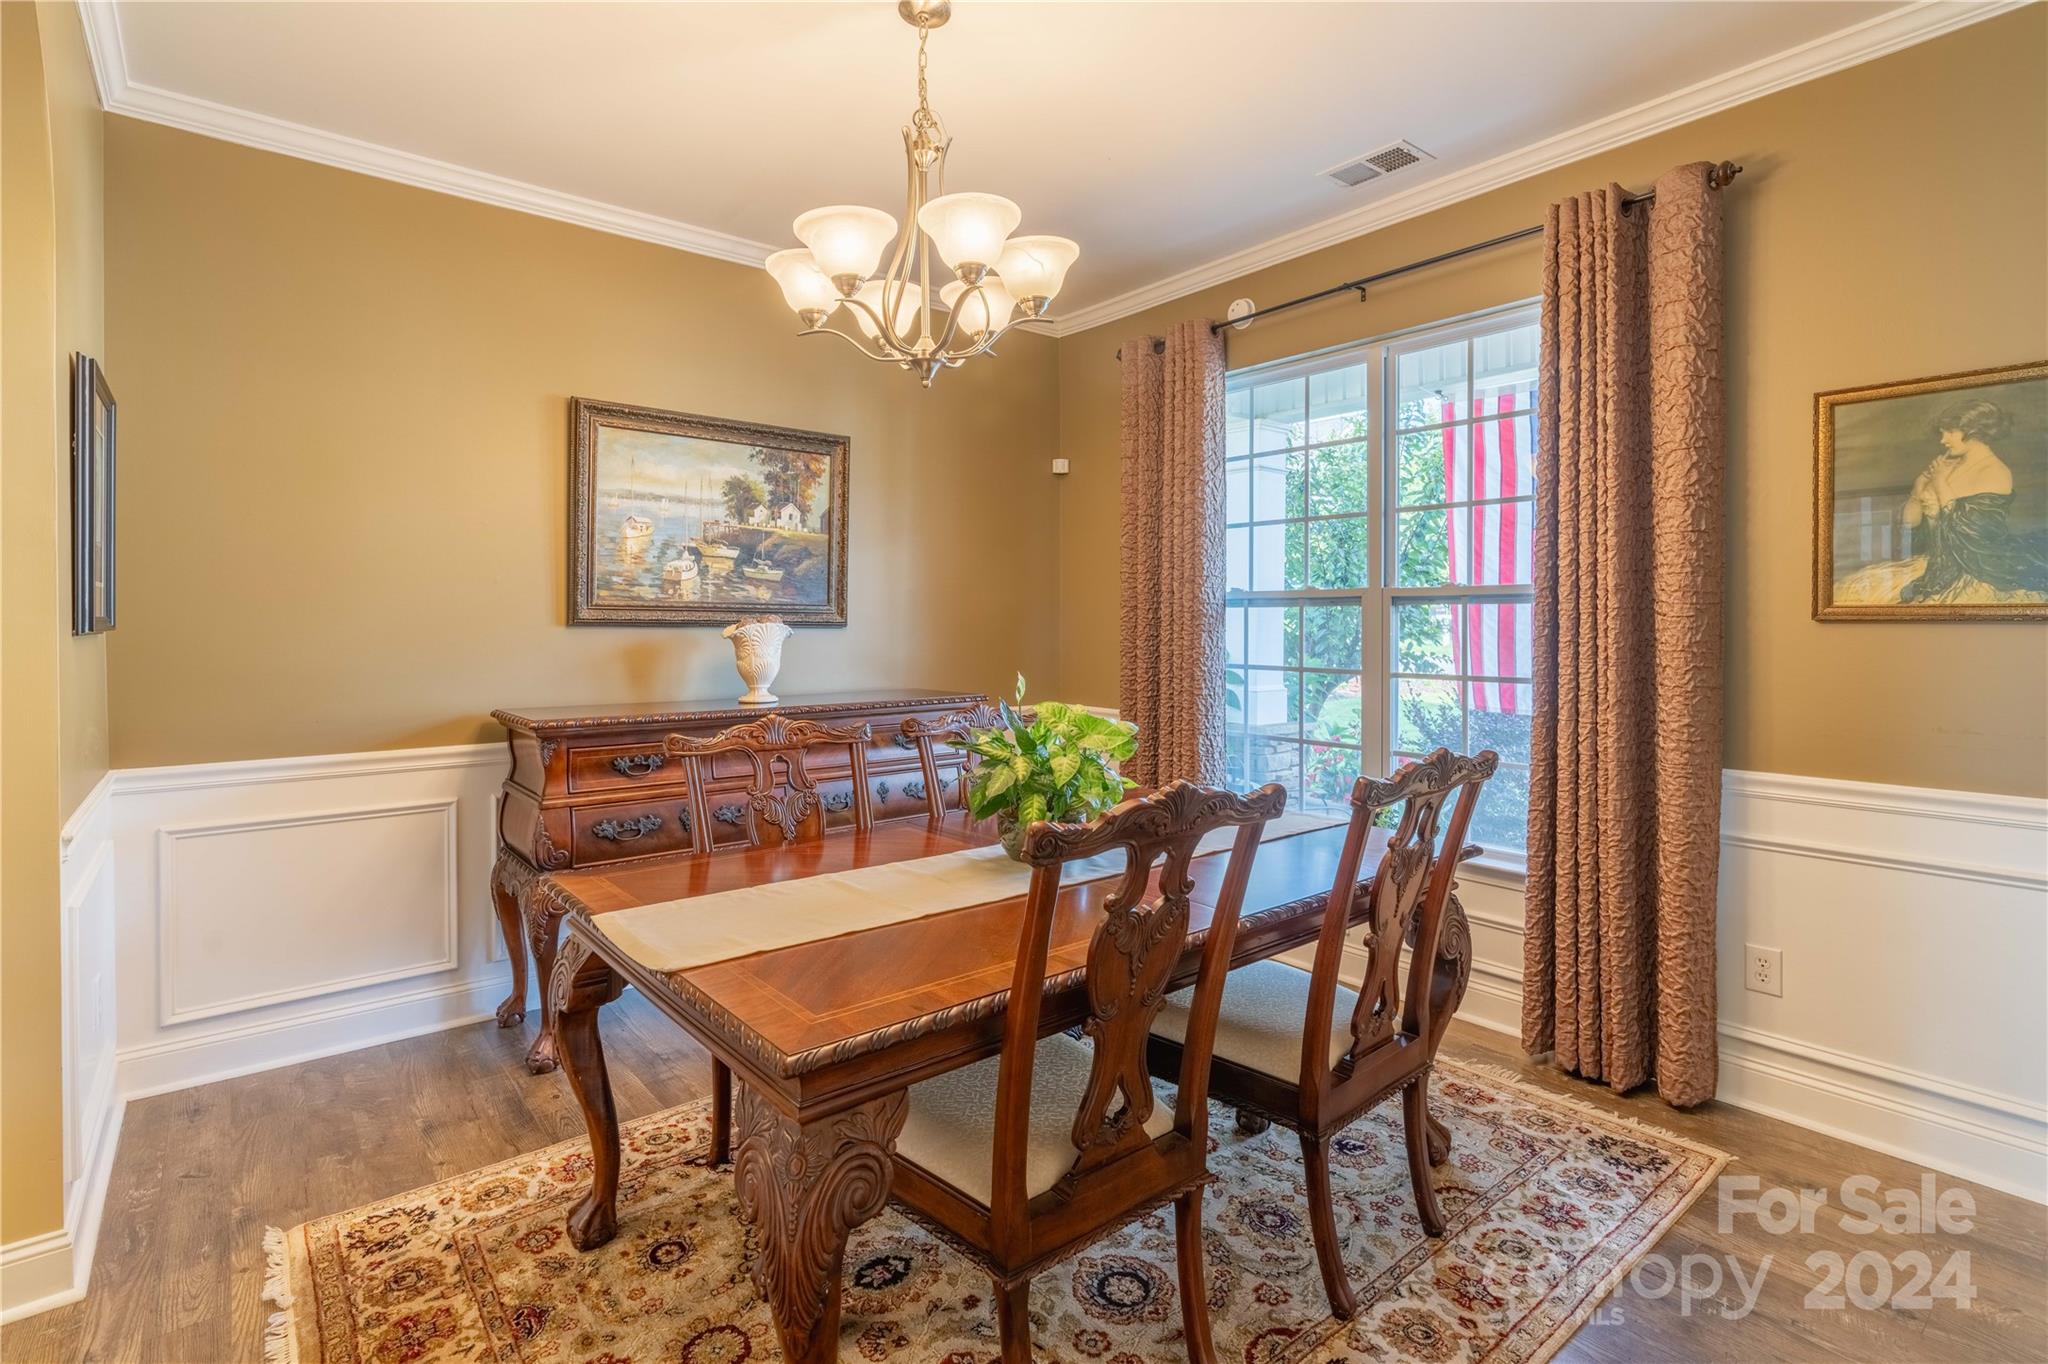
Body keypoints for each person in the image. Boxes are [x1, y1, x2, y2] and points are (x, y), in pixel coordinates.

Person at [1837, 396, 2047, 605]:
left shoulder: (1995, 472)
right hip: (1934, 561)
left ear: (1974, 431)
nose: (1943, 440)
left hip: (1975, 567)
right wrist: (1918, 488)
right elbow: (1909, 526)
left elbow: (1970, 535)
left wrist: (1938, 481)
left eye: (1950, 432)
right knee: (1852, 589)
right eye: (1942, 432)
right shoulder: (1948, 464)